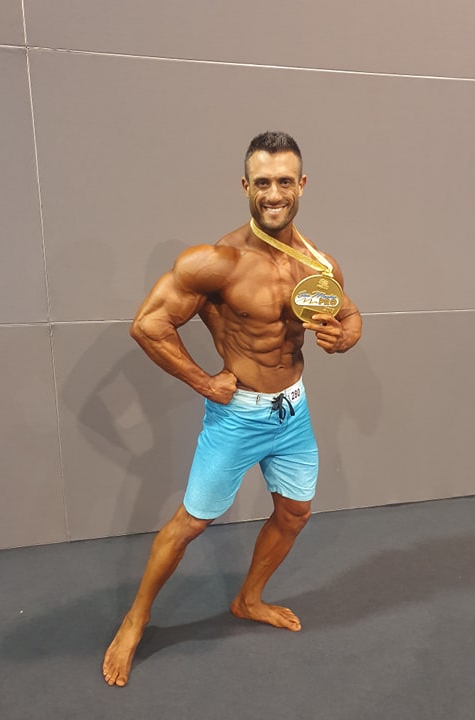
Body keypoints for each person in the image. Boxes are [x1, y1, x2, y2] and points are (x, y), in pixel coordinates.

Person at [102, 131, 362, 687]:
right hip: (239, 415)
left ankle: (248, 598)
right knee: (190, 524)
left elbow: (349, 313)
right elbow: (148, 325)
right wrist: (204, 381)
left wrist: (347, 336)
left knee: (294, 514)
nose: (274, 193)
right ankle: (135, 619)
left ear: (302, 185)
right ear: (245, 186)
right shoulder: (216, 262)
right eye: (262, 182)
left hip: (293, 413)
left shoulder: (318, 263)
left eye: (284, 181)